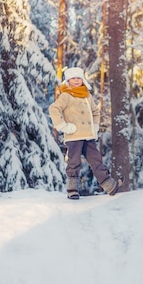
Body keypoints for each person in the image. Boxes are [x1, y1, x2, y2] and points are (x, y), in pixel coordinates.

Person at [49, 67, 121, 199]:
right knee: (74, 162)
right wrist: (63, 126)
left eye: (78, 78)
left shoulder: (87, 95)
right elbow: (54, 109)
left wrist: (94, 126)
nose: (76, 81)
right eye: (73, 78)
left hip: (88, 136)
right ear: (68, 80)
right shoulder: (66, 95)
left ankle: (110, 186)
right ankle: (72, 190)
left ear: (82, 79)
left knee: (96, 160)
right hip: (74, 135)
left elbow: (95, 112)